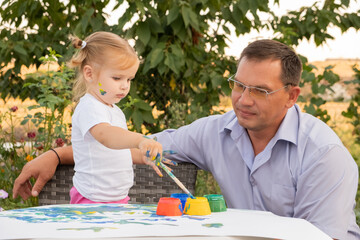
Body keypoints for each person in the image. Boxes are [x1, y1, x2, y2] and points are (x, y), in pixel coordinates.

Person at [13, 39, 359, 239]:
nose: (243, 99)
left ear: (292, 95)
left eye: (259, 90)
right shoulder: (214, 131)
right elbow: (142, 148)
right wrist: (58, 156)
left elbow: (321, 238)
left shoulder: (325, 155)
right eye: (238, 85)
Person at [59, 31, 163, 204]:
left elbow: (120, 148)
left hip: (118, 198)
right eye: (117, 78)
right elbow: (106, 136)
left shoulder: (114, 111)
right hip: (91, 199)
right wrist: (140, 139)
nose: (124, 86)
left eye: (129, 79)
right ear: (90, 74)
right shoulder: (89, 107)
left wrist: (142, 156)